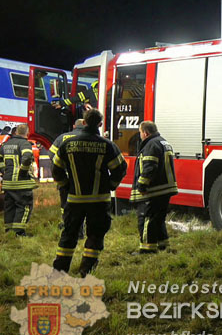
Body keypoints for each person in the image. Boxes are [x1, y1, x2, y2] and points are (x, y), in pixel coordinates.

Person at [52, 109, 126, 276]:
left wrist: (66, 185)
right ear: (100, 124)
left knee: (69, 235)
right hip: (99, 201)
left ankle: (59, 270)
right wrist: (111, 186)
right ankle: (86, 269)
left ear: (84, 122)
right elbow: (120, 169)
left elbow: (56, 169)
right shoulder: (108, 145)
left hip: (75, 199)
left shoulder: (67, 144)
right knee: (95, 234)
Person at [130, 121, 177, 254]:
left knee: (146, 219)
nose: (140, 136)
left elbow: (149, 167)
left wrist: (142, 185)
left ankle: (147, 249)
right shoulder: (163, 142)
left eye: (140, 133)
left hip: (154, 190)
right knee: (158, 218)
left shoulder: (151, 144)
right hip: (165, 189)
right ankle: (163, 244)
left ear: (145, 133)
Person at [50, 119, 86, 234]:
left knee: (65, 202)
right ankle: (81, 228)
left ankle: (67, 225)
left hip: (66, 176)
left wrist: (61, 165)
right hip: (83, 177)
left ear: (74, 126)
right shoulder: (90, 137)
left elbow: (51, 154)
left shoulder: (62, 137)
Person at [1, 124, 38, 236]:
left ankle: (9, 231)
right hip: (21, 183)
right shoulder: (24, 144)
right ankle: (19, 232)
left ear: (15, 132)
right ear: (27, 133)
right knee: (25, 207)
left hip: (8, 183)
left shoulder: (5, 145)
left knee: (9, 207)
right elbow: (27, 157)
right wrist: (23, 171)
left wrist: (4, 171)